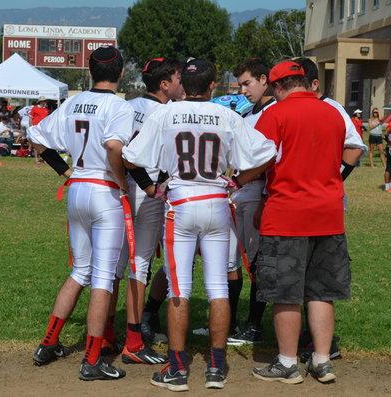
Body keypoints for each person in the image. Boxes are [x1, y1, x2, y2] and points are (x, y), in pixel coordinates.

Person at [123, 58, 276, 391]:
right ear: (212, 86)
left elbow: (131, 156)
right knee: (218, 287)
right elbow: (267, 153)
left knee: (180, 289)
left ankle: (177, 369)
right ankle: (216, 367)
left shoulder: (164, 114)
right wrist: (238, 181)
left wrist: (155, 184)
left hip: (180, 203)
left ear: (185, 84)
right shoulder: (229, 115)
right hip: (217, 201)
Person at [28, 46, 135, 381]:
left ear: (90, 72)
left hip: (77, 186)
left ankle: (49, 343)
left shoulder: (73, 102)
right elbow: (115, 147)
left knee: (80, 271)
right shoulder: (119, 105)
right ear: (120, 73)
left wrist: (64, 170)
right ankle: (91, 361)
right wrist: (120, 182)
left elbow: (37, 138)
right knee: (102, 277)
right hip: (104, 191)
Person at [251, 60, 357, 384]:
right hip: (328, 213)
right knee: (321, 292)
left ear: (279, 87)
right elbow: (349, 151)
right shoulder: (334, 113)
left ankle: (287, 362)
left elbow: (257, 158)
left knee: (286, 292)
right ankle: (322, 361)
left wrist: (239, 180)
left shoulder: (275, 114)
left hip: (287, 214)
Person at [108, 57, 183, 365]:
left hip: (121, 190)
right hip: (147, 190)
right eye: (178, 77)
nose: (181, 83)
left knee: (116, 265)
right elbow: (132, 156)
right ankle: (134, 340)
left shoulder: (131, 105)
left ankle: (106, 332)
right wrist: (151, 187)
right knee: (139, 265)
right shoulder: (164, 113)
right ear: (164, 84)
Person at [225, 58, 276, 347]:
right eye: (240, 84)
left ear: (263, 79)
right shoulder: (249, 113)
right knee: (229, 260)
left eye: (247, 83)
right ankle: (228, 323)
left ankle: (253, 325)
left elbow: (268, 159)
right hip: (239, 192)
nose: (243, 90)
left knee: (255, 261)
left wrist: (243, 183)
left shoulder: (273, 111)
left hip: (255, 190)